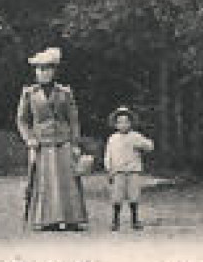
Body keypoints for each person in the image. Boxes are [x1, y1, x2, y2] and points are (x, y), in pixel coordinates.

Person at [15, 47, 88, 232]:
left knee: (68, 180)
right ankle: (48, 220)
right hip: (42, 142)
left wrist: (75, 143)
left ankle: (72, 219)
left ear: (54, 71)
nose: (43, 73)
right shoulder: (29, 93)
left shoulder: (65, 92)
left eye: (47, 69)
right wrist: (29, 138)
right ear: (35, 72)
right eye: (40, 69)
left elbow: (73, 119)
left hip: (63, 140)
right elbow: (22, 120)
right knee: (45, 181)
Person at [103, 106, 155, 231]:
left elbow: (149, 146)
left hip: (133, 171)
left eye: (126, 121)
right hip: (118, 171)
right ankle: (115, 221)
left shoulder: (135, 136)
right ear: (115, 124)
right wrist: (109, 169)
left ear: (131, 123)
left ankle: (135, 220)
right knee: (117, 196)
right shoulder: (113, 138)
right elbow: (108, 154)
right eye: (120, 122)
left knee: (134, 195)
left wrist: (142, 144)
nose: (123, 125)